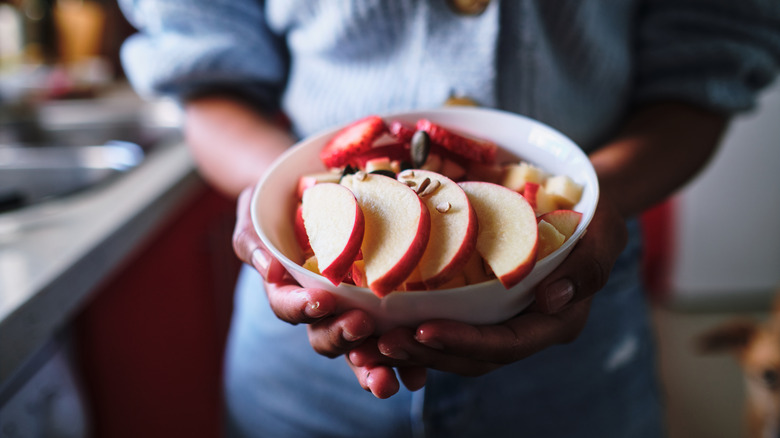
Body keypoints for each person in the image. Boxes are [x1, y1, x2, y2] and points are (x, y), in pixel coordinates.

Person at [119, 1, 780, 436]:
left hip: (580, 337)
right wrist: (279, 190)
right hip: (302, 362)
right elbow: (208, 75)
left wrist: (594, 198)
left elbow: (702, 70)